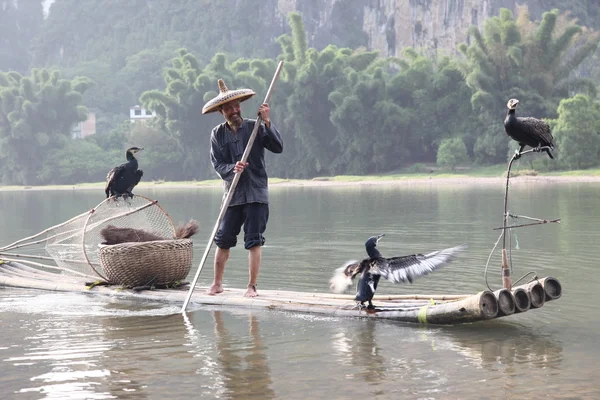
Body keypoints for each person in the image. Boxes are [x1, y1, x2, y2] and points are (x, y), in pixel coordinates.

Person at [202, 79, 283, 297]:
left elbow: (278, 147)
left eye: (237, 105)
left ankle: (252, 286)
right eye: (229, 107)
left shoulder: (254, 126)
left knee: (253, 240)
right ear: (222, 111)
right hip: (232, 195)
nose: (234, 110)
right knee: (223, 239)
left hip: (256, 193)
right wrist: (232, 168)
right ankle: (217, 284)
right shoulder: (217, 134)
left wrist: (267, 122)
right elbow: (218, 164)